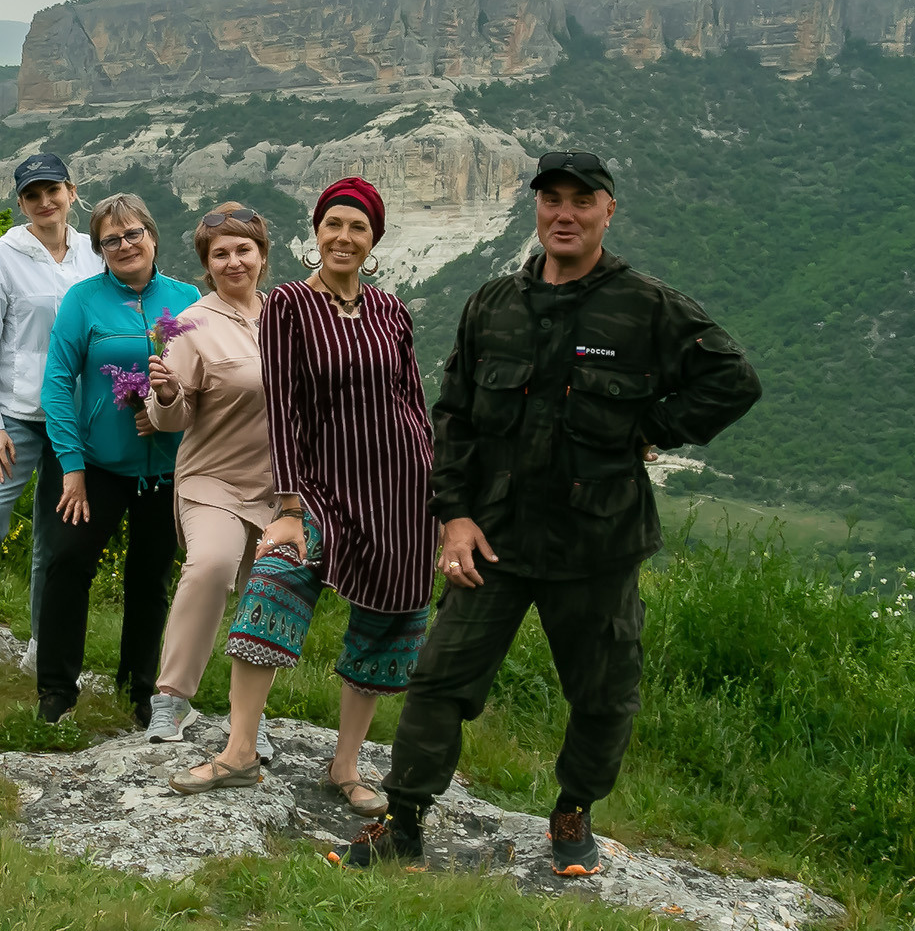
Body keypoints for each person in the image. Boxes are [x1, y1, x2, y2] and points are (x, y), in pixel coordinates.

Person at [347, 150, 762, 876]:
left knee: (603, 693)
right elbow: (454, 416)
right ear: (535, 208)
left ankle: (573, 812)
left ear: (608, 211)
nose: (564, 215)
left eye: (582, 201)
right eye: (552, 201)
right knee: (439, 680)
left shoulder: (646, 306)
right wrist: (455, 516)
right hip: (496, 536)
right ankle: (404, 820)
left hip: (597, 541)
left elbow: (733, 379)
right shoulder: (494, 304)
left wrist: (653, 429)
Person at [165, 179, 438, 815]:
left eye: (358, 228)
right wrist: (288, 506)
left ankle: (345, 767)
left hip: (399, 486)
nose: (344, 238)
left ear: (373, 240)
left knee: (386, 622)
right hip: (319, 488)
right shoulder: (288, 304)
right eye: (333, 225)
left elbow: (414, 404)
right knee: (272, 586)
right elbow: (282, 409)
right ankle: (239, 752)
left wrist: (438, 496)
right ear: (316, 233)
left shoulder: (390, 311)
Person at [0, 151, 103, 704]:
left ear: (72, 193)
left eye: (53, 190)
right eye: (33, 195)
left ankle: (42, 644)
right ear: (22, 203)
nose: (45, 201)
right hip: (14, 417)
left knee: (54, 540)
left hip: (74, 420)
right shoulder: (1, 258)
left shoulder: (92, 254)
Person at [36, 193, 202, 725]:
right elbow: (57, 385)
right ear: (99, 248)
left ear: (153, 237)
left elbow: (203, 379)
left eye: (133, 234)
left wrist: (166, 407)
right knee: (66, 565)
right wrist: (72, 468)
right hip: (97, 467)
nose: (125, 245)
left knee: (150, 579)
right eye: (112, 239)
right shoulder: (82, 300)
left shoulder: (186, 297)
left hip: (166, 469)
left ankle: (139, 692)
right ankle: (56, 692)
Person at [139, 203, 273, 743]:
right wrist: (167, 394)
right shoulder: (190, 325)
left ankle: (248, 723)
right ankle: (171, 699)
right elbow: (171, 416)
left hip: (280, 489)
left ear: (263, 256)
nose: (234, 261)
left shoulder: (290, 314)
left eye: (244, 250)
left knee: (269, 593)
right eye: (221, 253)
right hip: (213, 478)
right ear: (206, 264)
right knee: (213, 566)